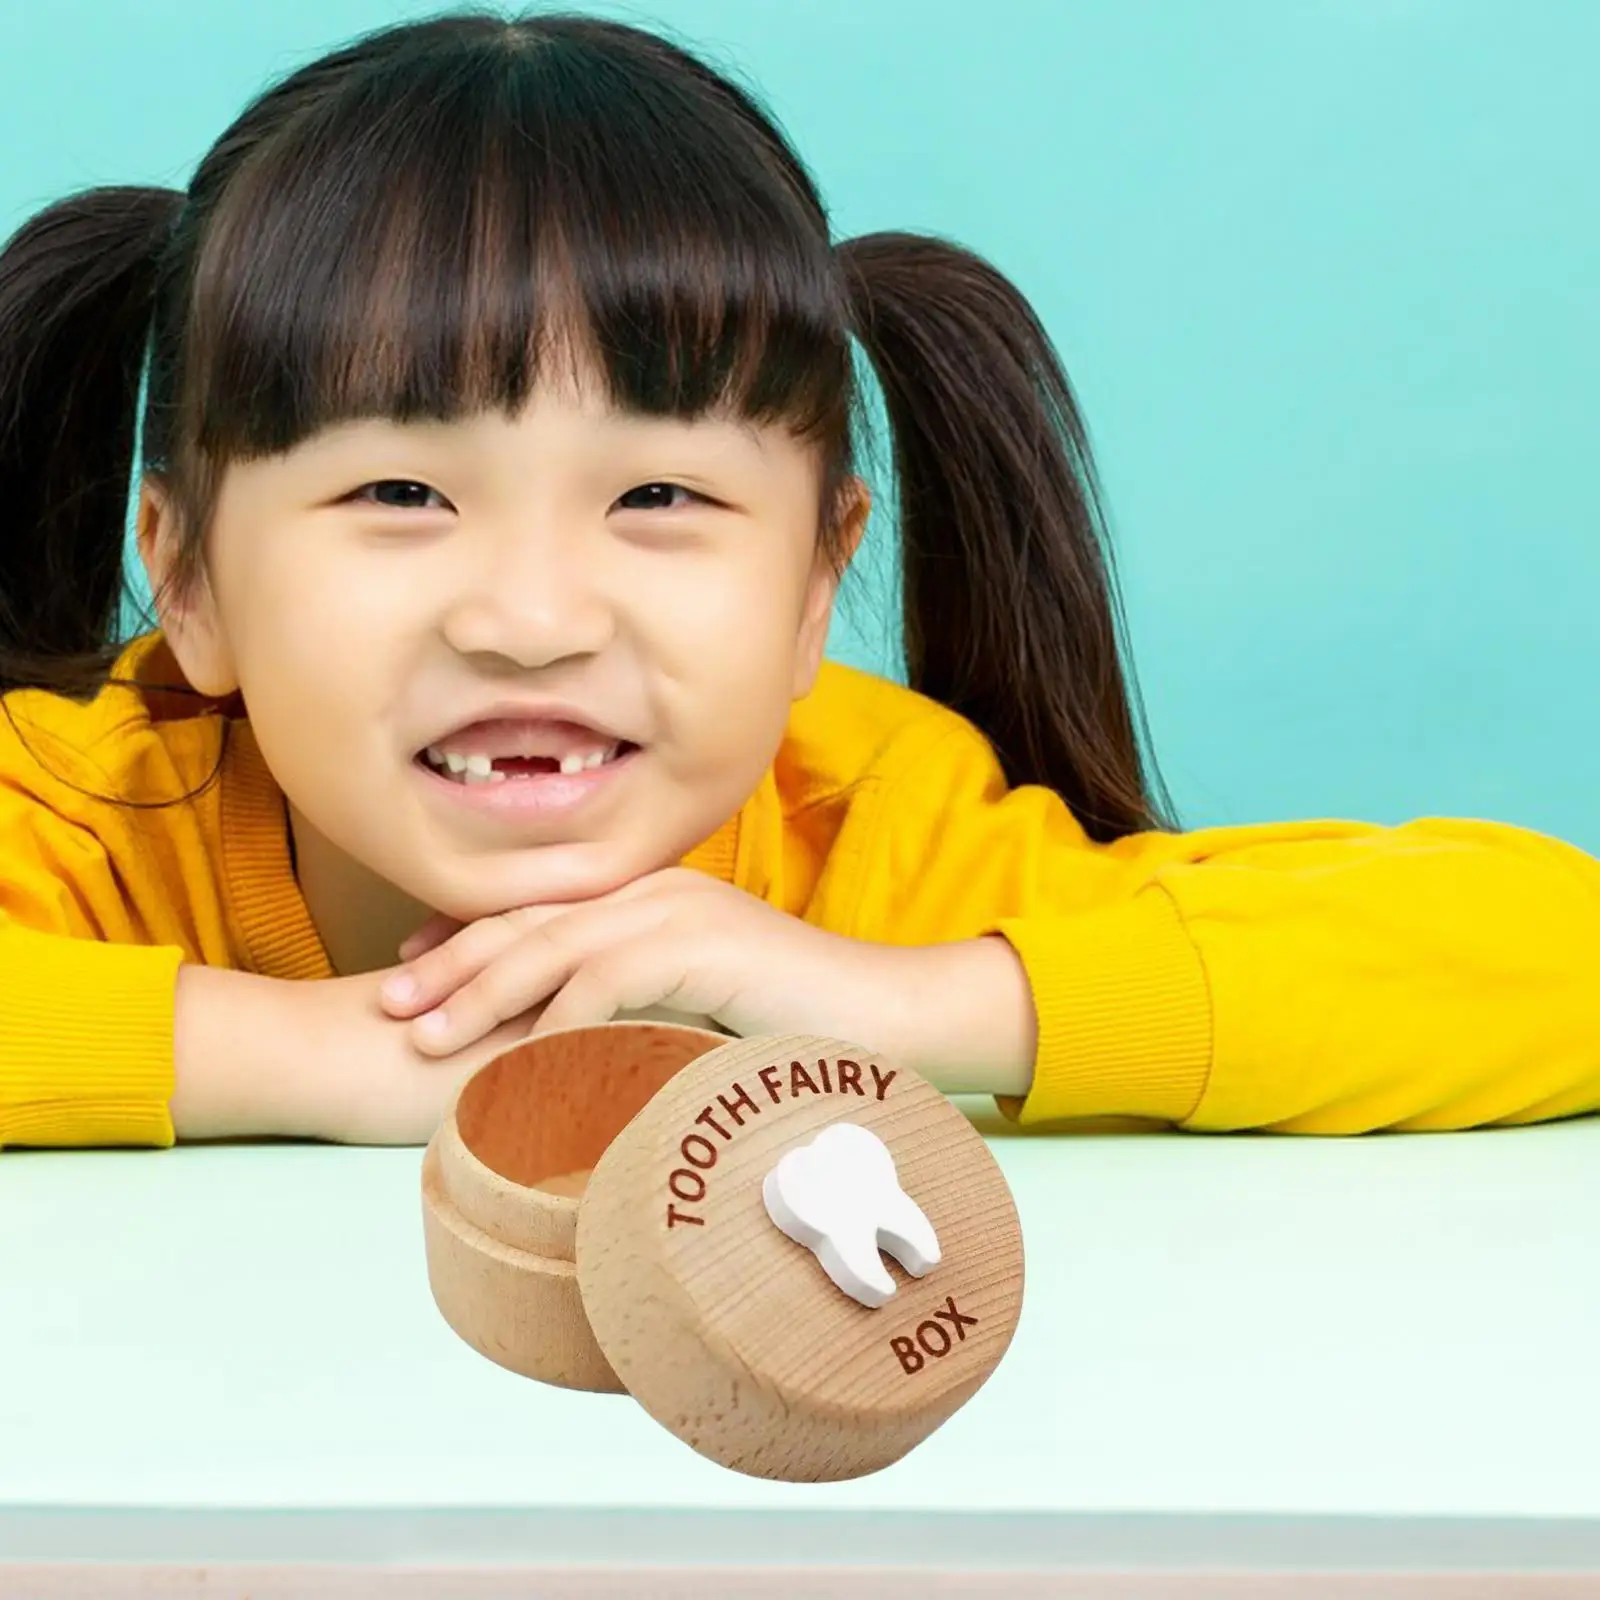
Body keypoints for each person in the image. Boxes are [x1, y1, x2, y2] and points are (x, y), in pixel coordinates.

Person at [1, 10, 1595, 1153]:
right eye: (403, 492)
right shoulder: (89, 824)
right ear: (189, 580)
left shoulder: (871, 834)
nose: (533, 619)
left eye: (660, 495)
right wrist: (307, 1057)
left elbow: (1558, 956)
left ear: (818, 576)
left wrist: (901, 1006)